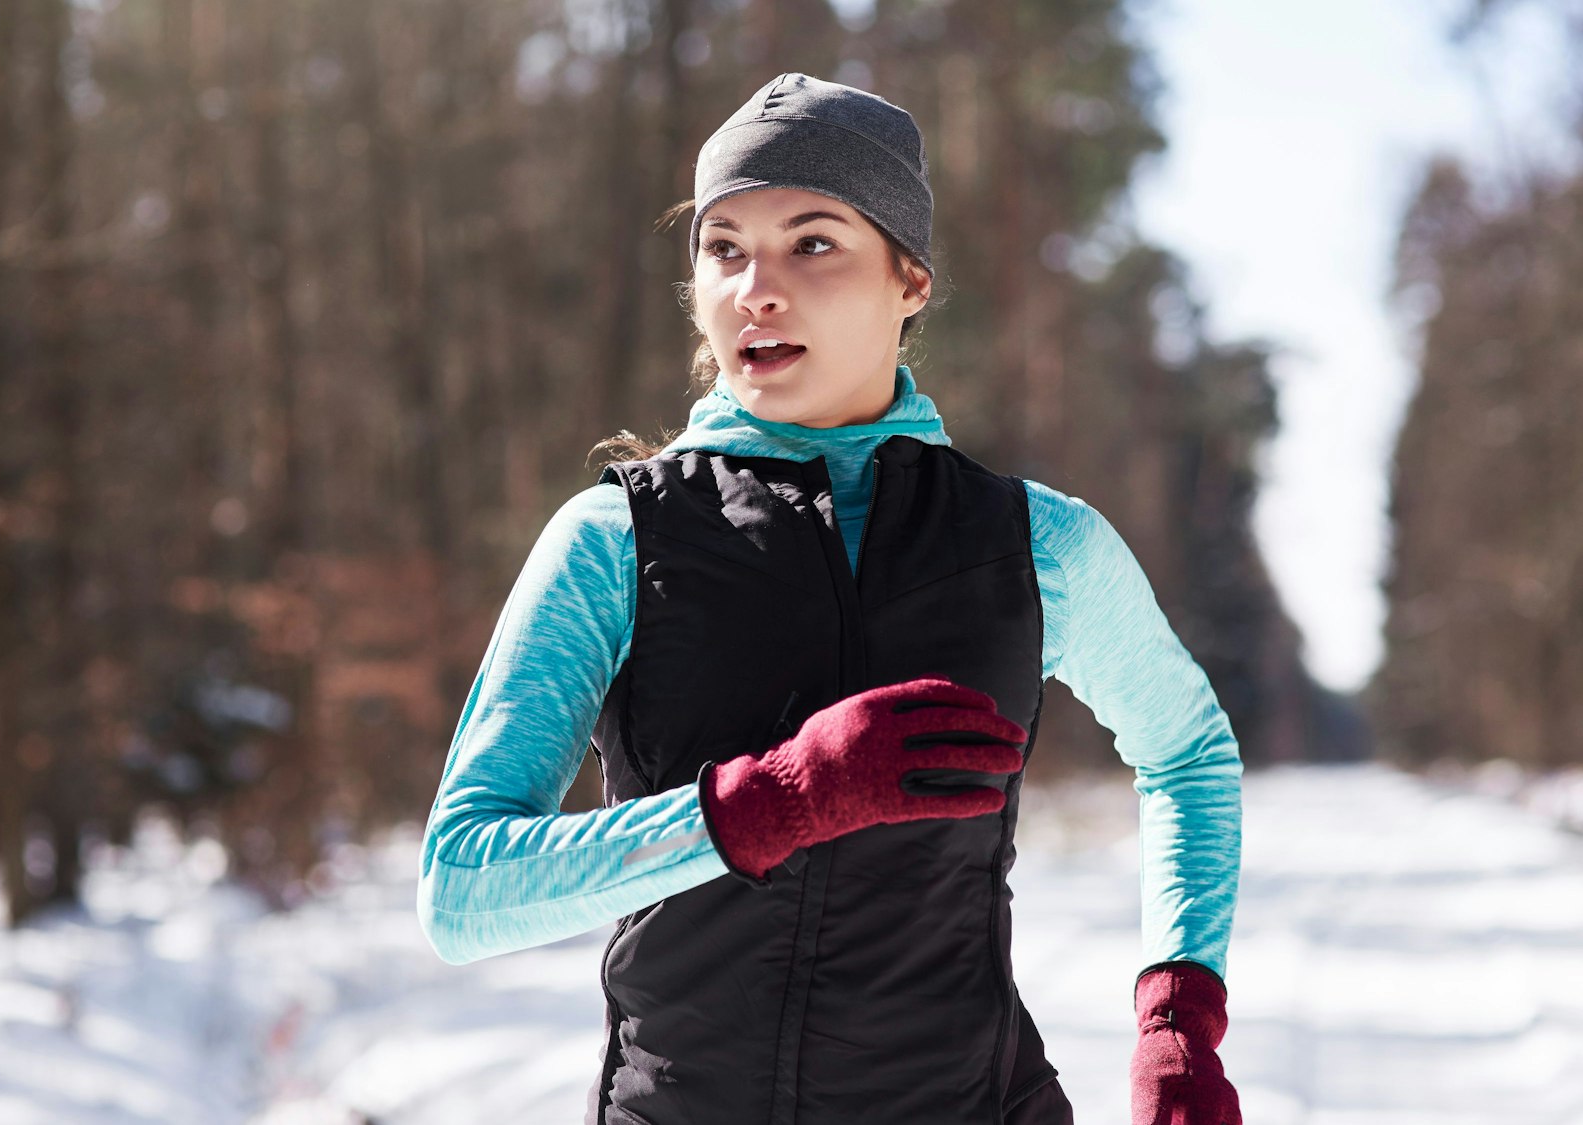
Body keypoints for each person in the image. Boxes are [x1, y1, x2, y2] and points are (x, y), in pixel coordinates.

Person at [417, 72, 1244, 1125]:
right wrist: (769, 803)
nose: (755, 289)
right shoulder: (618, 541)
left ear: (909, 281)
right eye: (724, 248)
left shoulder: (1034, 544)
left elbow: (1187, 756)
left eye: (812, 243)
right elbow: (461, 889)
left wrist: (1177, 1018)